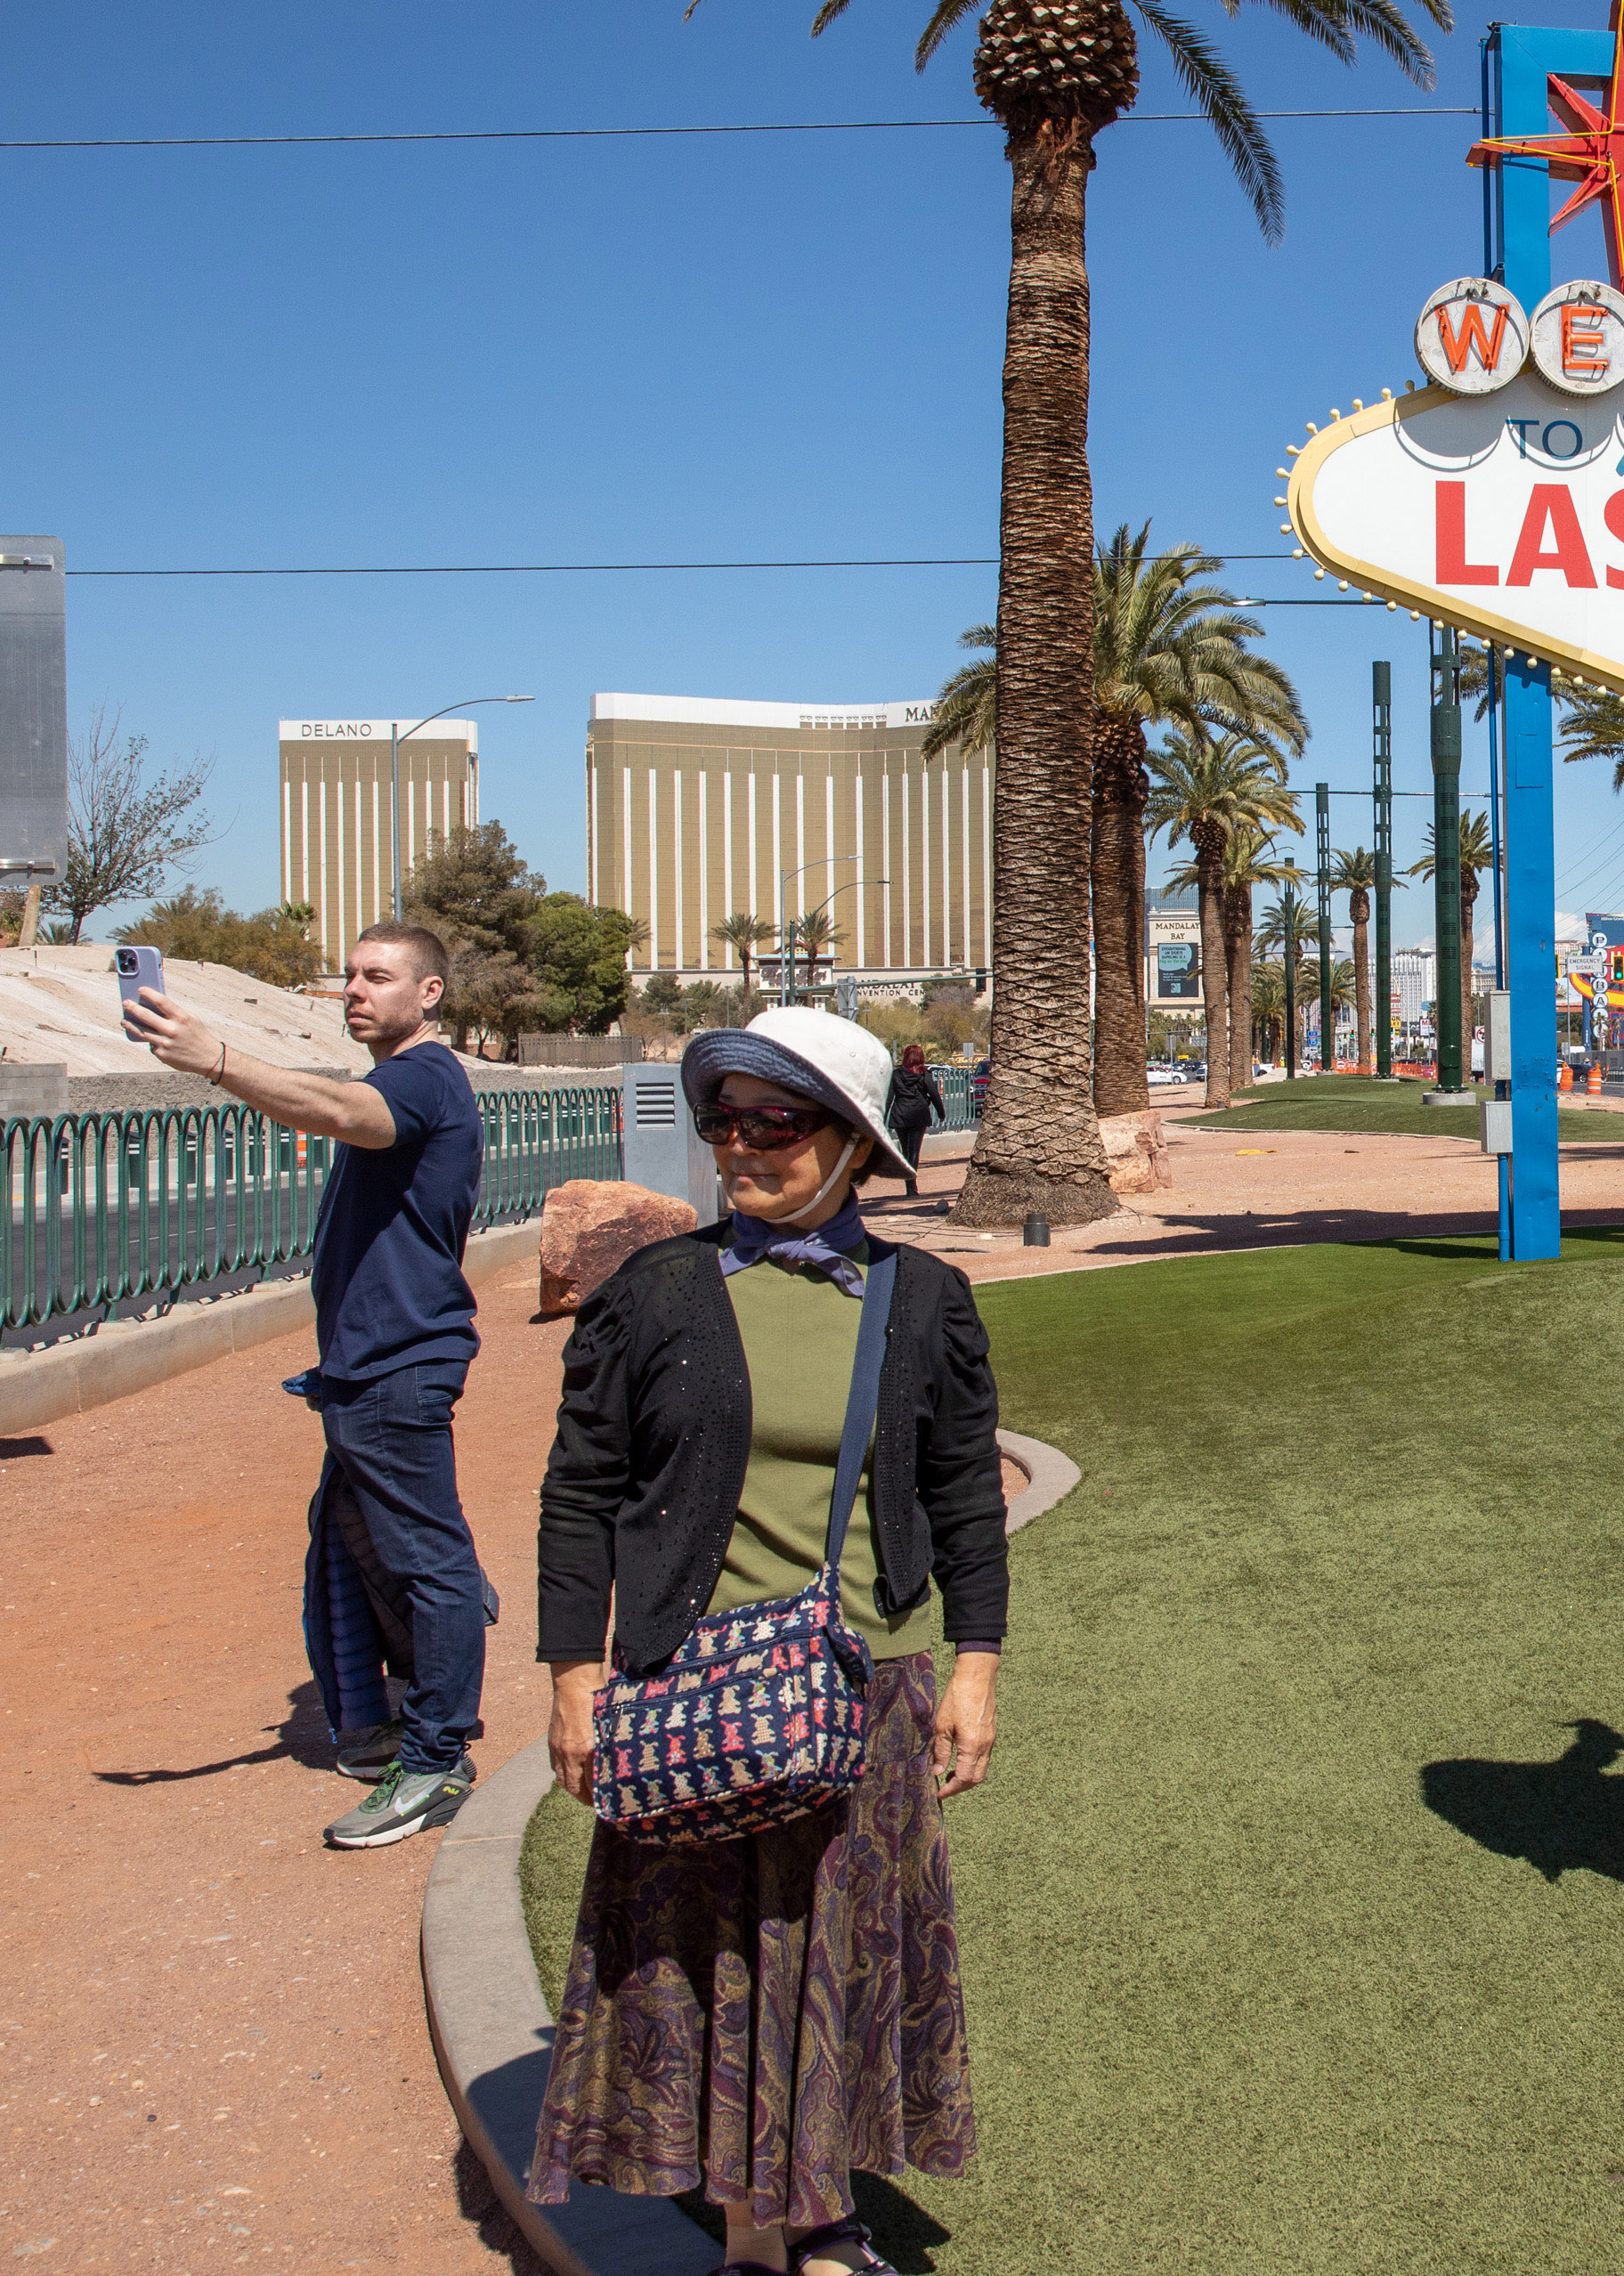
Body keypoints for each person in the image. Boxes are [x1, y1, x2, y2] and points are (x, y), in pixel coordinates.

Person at [524, 1006, 1009, 2276]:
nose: (739, 1146)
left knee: (833, 1955)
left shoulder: (928, 1302)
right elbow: (579, 1488)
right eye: (722, 1120)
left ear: (853, 1144)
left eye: (774, 1122)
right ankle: (749, 2231)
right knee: (719, 1963)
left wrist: (976, 1664)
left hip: (870, 1686)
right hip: (689, 1685)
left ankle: (829, 2216)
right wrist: (576, 1675)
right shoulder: (654, 1293)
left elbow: (963, 1493)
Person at [128, 921, 498, 1849]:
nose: (355, 990)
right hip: (364, 1369)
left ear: (430, 995)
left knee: (429, 1562)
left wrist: (215, 1059)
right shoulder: (405, 1076)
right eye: (350, 976)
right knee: (351, 1546)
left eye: (378, 977)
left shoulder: (418, 1079)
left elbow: (343, 1115)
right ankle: (384, 1723)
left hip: (396, 1367)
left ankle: (436, 1758)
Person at [883, 1042, 941, 1177]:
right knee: (914, 1150)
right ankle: (912, 1184)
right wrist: (941, 1113)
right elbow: (934, 1095)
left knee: (905, 1150)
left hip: (900, 1115)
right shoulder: (925, 1075)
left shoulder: (896, 1075)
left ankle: (909, 1183)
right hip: (919, 1115)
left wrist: (882, 1118)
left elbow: (889, 1098)